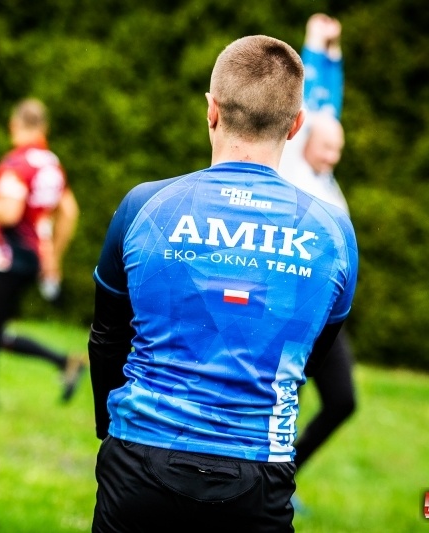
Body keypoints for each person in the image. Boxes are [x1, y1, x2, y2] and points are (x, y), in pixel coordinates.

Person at [88, 35, 358, 532]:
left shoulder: (144, 205)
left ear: (211, 110)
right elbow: (311, 356)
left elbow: (106, 336)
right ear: (296, 125)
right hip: (259, 475)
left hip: (139, 462)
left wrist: (111, 431)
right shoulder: (334, 232)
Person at [0, 97, 84, 407]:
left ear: (14, 124)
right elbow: (69, 211)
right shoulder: (51, 164)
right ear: (44, 128)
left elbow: (9, 213)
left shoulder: (16, 164)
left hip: (11, 257)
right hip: (32, 256)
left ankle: (62, 363)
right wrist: (54, 256)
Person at [278, 13, 358, 476]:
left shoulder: (325, 178)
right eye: (326, 147)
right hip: (289, 303)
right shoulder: (291, 161)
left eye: (338, 151)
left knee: (342, 401)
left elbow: (330, 104)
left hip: (323, 310)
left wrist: (334, 53)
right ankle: (270, 485)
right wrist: (312, 44)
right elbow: (311, 102)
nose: (331, 156)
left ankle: (286, 476)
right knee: (284, 399)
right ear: (303, 132)